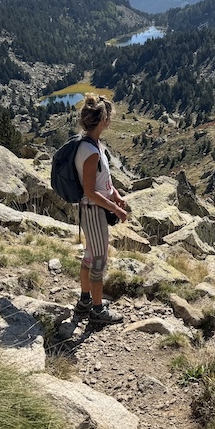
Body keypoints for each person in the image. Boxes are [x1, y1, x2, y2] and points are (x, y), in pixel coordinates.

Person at [73, 93, 127, 325]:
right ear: (103, 120)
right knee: (98, 260)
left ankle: (85, 300)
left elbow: (102, 181)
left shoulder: (93, 145)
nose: (110, 120)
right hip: (93, 211)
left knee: (90, 256)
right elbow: (90, 191)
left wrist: (116, 194)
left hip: (94, 209)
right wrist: (116, 208)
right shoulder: (91, 152)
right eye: (109, 117)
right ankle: (97, 310)